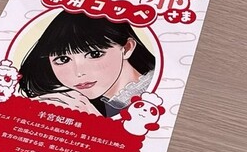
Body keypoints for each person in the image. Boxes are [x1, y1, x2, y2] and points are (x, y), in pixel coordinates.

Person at [14, 12, 157, 118]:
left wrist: (93, 121)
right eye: (63, 59)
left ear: (126, 48)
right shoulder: (87, 102)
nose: (79, 72)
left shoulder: (155, 94)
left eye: (94, 54)